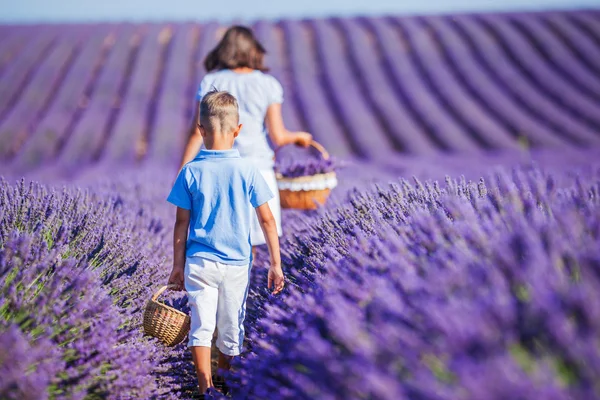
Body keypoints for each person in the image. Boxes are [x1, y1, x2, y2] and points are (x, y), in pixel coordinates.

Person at [167, 89, 285, 398]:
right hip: (236, 263)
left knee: (202, 325)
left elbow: (181, 224)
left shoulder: (190, 171)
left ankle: (205, 386)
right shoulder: (248, 170)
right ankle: (224, 376)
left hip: (199, 262)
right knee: (233, 326)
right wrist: (275, 262)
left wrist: (177, 266)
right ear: (239, 130)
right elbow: (268, 221)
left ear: (201, 130)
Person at [180, 25, 312, 251]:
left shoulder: (210, 81)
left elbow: (196, 133)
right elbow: (278, 136)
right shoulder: (267, 84)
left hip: (216, 170)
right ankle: (245, 285)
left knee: (217, 238)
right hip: (257, 169)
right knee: (253, 238)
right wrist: (299, 137)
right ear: (253, 51)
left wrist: (183, 172)